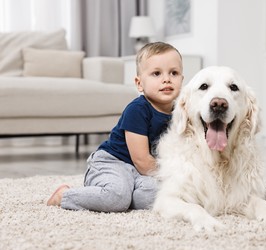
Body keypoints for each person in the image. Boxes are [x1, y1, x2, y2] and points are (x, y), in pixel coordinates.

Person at [47, 42, 183, 212]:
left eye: (174, 73)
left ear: (182, 80)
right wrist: (173, 176)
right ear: (139, 83)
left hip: (141, 172)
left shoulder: (181, 111)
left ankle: (125, 193)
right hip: (112, 163)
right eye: (156, 73)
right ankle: (65, 195)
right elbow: (141, 160)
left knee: (152, 196)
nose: (166, 79)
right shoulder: (138, 109)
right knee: (116, 198)